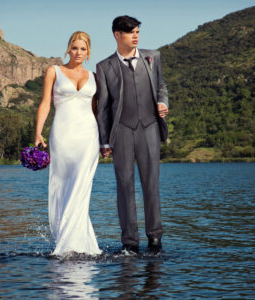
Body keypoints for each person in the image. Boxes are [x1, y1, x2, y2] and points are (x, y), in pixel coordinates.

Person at [96, 16, 169, 255]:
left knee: (151, 184)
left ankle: (155, 238)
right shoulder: (104, 67)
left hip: (149, 127)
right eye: (130, 33)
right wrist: (104, 140)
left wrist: (162, 102)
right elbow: (104, 107)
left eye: (137, 32)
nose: (136, 36)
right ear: (117, 35)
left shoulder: (153, 57)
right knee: (124, 186)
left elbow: (161, 86)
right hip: (123, 131)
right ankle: (129, 241)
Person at [35, 31, 101, 256]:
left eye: (83, 49)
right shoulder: (54, 71)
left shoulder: (94, 76)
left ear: (88, 51)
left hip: (89, 138)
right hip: (62, 136)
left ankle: (73, 245)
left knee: (81, 187)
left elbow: (97, 110)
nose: (79, 53)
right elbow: (45, 104)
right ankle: (72, 242)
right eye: (75, 48)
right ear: (68, 49)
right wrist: (38, 133)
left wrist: (106, 140)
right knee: (63, 187)